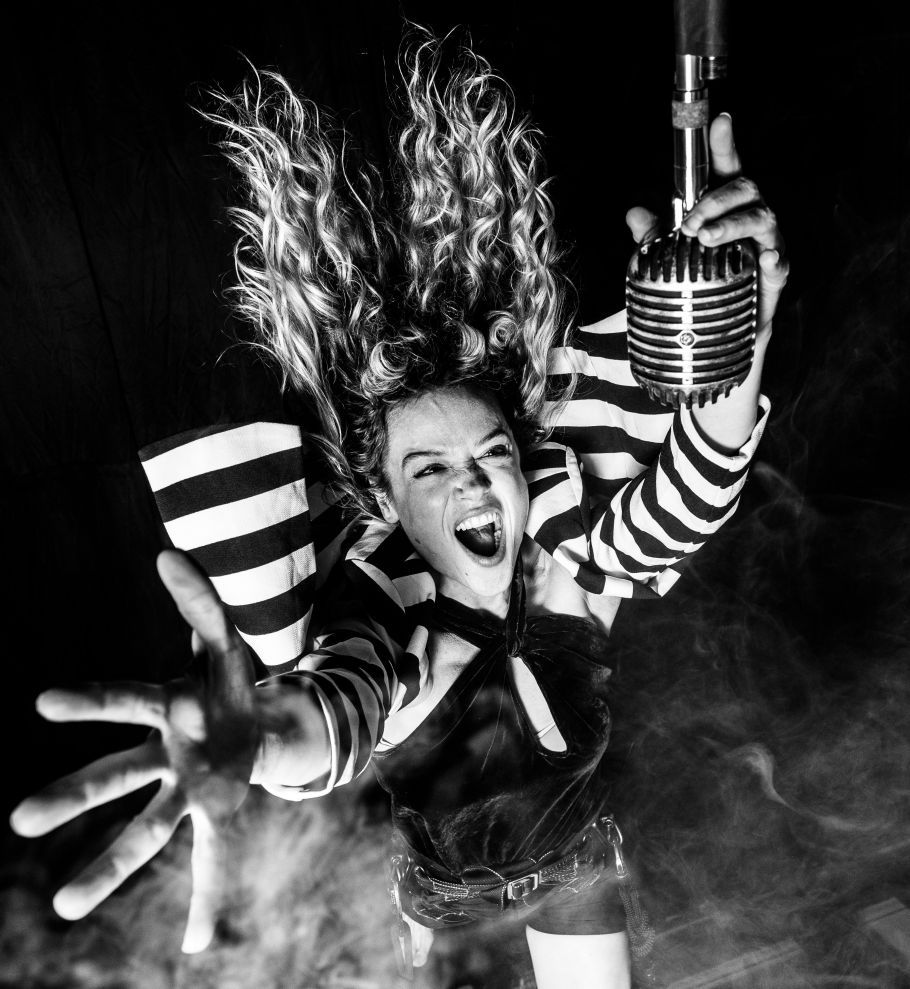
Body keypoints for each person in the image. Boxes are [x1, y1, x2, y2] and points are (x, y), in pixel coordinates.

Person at [9, 31, 786, 989]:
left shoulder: (570, 563)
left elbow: (685, 496)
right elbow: (330, 710)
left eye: (493, 453)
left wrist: (734, 328)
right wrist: (254, 740)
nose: (473, 482)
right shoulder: (385, 621)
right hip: (442, 901)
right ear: (388, 500)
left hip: (576, 861)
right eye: (432, 469)